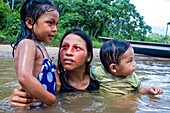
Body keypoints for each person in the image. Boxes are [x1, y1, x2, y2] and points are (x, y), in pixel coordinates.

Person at [8, 28, 99, 108]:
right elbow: (28, 90)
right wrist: (13, 100)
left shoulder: (100, 81)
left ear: (88, 57)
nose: (68, 52)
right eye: (64, 47)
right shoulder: (55, 83)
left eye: (77, 48)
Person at [10, 0, 60, 107]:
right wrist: (52, 100)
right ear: (29, 23)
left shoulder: (41, 48)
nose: (55, 29)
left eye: (56, 24)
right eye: (50, 23)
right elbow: (24, 77)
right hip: (31, 107)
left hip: (41, 106)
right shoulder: (27, 44)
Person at [90, 38, 164, 95]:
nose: (134, 63)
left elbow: (140, 89)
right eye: (130, 61)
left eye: (133, 59)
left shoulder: (131, 77)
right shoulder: (100, 72)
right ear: (114, 68)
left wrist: (148, 91)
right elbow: (87, 69)